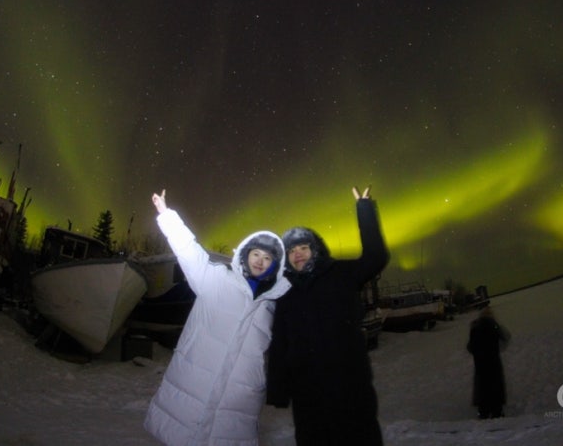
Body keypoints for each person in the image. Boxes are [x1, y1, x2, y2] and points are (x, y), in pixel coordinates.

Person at [144, 189, 291, 446]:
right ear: (246, 255)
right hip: (194, 391)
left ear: (274, 266)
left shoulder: (271, 307)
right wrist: (167, 216)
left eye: (267, 258)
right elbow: (190, 252)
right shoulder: (217, 280)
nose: (260, 260)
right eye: (256, 254)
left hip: (237, 406)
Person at [266, 186, 389, 446]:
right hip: (307, 394)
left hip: (349, 384)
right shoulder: (286, 291)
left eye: (302, 247)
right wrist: (277, 385)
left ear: (314, 249)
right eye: (291, 251)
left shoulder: (341, 274)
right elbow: (280, 341)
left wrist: (365, 210)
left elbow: (376, 257)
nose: (297, 254)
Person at [467, 307, 510, 419]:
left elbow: (470, 347)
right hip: (493, 361)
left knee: (482, 385)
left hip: (480, 363)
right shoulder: (494, 326)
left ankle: (483, 411)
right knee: (495, 384)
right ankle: (497, 411)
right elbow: (506, 336)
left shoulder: (475, 328)